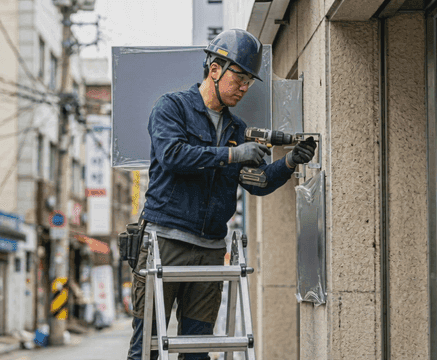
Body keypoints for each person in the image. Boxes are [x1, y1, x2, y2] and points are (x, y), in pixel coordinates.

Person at [126, 29, 317, 360]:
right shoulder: (172, 108)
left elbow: (256, 182)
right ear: (214, 68)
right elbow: (173, 156)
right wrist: (231, 155)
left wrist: (288, 162)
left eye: (248, 81)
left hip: (210, 250)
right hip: (164, 243)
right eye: (238, 77)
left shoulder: (236, 129)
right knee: (148, 347)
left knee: (198, 351)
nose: (244, 87)